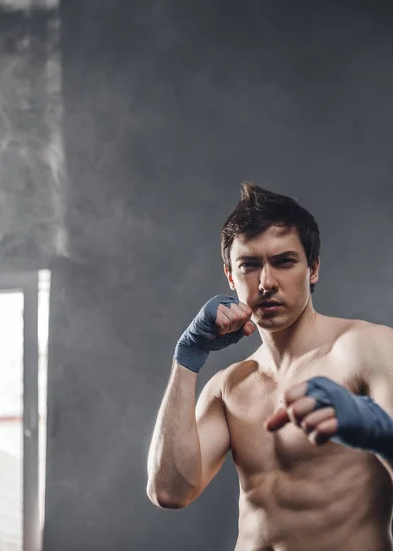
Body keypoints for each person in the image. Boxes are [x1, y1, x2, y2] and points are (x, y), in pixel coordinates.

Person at [146, 183, 393, 551]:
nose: (266, 282)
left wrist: (381, 435)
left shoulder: (365, 349)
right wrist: (186, 359)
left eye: (284, 262)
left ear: (313, 269)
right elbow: (169, 491)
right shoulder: (230, 386)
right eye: (249, 265)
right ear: (230, 276)